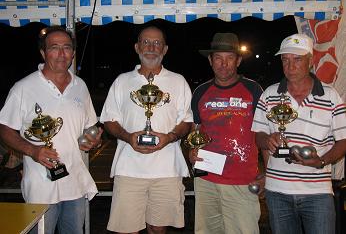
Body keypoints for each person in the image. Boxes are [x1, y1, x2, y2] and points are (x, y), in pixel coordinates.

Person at [0, 26, 102, 234]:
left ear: (73, 53)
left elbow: (89, 126)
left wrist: (92, 139)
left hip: (75, 185)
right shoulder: (24, 88)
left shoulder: (80, 86)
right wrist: (33, 151)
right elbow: (4, 128)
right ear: (43, 53)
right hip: (41, 187)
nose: (61, 54)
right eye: (54, 47)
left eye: (66, 47)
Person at [100, 25, 193, 234]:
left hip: (167, 170)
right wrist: (128, 136)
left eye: (157, 43)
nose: (151, 47)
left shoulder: (178, 81)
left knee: (158, 229)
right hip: (129, 170)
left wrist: (169, 137)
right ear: (137, 47)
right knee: (127, 230)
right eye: (146, 42)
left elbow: (187, 122)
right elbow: (109, 121)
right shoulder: (122, 81)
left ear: (165, 49)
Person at [251, 33, 346, 234]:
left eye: (297, 59)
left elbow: (343, 141)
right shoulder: (269, 93)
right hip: (278, 191)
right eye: (285, 60)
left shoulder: (330, 96)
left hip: (317, 192)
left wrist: (321, 161)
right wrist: (268, 139)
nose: (290, 65)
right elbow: (257, 135)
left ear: (310, 62)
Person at [188, 32, 264, 234]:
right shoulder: (200, 92)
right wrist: (191, 152)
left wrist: (268, 173)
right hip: (206, 180)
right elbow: (195, 131)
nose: (224, 64)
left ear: (238, 60)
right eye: (219, 58)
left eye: (229, 58)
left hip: (242, 180)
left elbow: (265, 134)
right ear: (211, 61)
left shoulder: (254, 90)